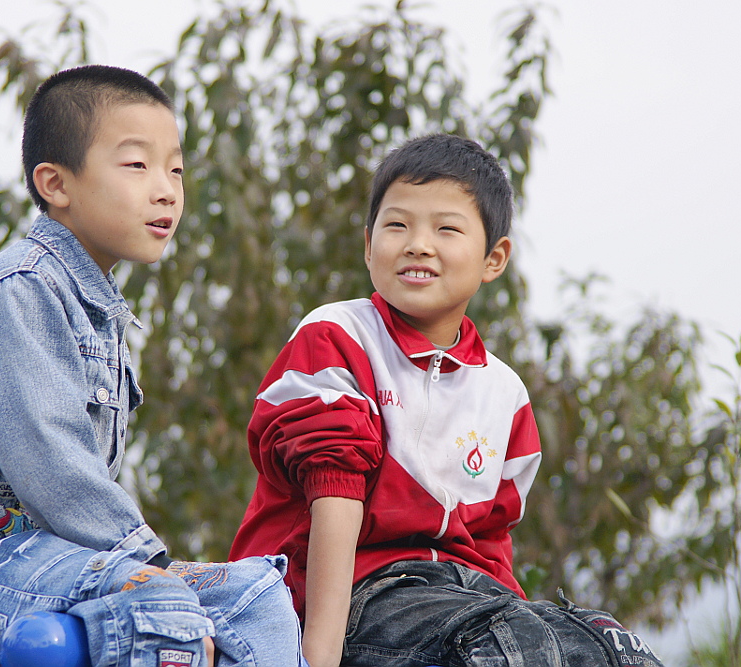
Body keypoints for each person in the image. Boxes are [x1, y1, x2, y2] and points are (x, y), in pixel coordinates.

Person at [0, 65, 301, 667]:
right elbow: (47, 459)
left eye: (176, 170)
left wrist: (141, 563)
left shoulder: (101, 310)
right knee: (159, 603)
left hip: (63, 560)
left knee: (256, 595)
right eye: (137, 166)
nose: (166, 190)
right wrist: (144, 559)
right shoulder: (22, 287)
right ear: (56, 184)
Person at [229, 134, 663, 667]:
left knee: (610, 645)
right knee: (502, 645)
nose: (418, 244)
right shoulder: (337, 337)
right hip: (349, 594)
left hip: (460, 600)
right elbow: (334, 502)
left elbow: (489, 551)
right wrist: (317, 659)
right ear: (368, 246)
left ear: (493, 258)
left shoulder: (505, 396)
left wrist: (535, 634)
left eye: (446, 228)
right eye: (397, 225)